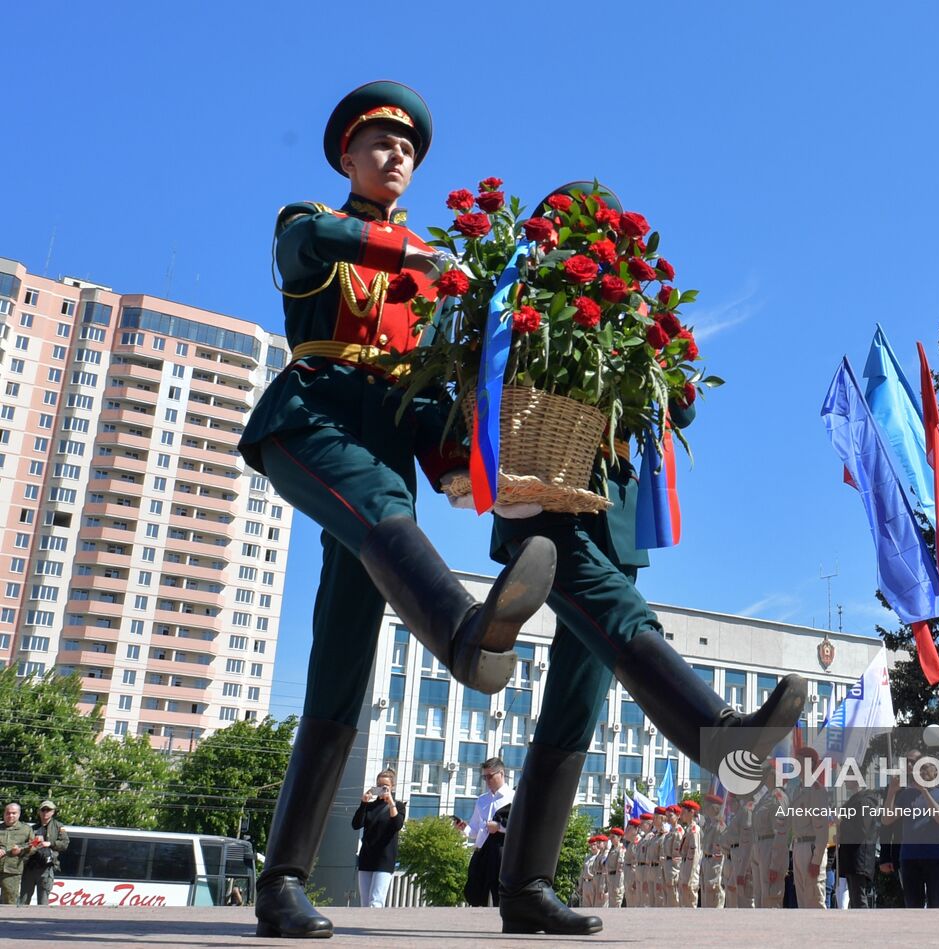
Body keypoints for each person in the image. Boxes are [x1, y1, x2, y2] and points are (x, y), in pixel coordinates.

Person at [242, 81, 558, 940]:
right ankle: (463, 632)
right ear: (346, 157)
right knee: (384, 512)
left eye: (407, 150)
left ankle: (282, 882)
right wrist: (412, 251)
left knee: (344, 651)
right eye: (379, 144)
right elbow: (316, 245)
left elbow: (419, 403)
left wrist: (474, 447)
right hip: (313, 414)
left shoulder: (423, 285)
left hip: (379, 432)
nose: (396, 157)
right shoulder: (308, 219)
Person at [490, 184, 807, 937]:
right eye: (576, 224)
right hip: (549, 506)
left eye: (600, 228)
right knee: (626, 623)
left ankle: (526, 885)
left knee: (573, 707)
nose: (590, 237)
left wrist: (655, 351)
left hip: (615, 523)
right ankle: (720, 736)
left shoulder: (623, 313)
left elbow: (681, 408)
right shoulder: (525, 298)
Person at [882, 751, 939, 908]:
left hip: (933, 856)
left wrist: (924, 791)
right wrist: (891, 792)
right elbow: (887, 820)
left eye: (921, 768)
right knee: (913, 905)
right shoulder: (906, 795)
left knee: (936, 903)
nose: (911, 768)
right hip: (909, 856)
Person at [351, 769, 405, 908]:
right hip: (367, 856)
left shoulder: (398, 806)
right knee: (365, 902)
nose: (381, 789)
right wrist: (363, 803)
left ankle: (371, 927)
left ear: (392, 787)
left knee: (376, 901)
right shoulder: (370, 807)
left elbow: (397, 824)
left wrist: (390, 801)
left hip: (385, 858)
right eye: (378, 785)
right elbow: (356, 825)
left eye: (385, 786)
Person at [464, 758, 513, 907]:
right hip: (482, 849)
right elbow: (474, 830)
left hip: (501, 849)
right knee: (476, 889)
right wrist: (463, 827)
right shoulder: (482, 800)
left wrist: (499, 827)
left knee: (499, 890)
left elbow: (520, 827)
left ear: (502, 774)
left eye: (490, 776)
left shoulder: (513, 797)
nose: (487, 780)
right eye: (485, 776)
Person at [789, 748, 834, 909]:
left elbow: (822, 831)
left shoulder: (817, 791)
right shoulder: (797, 790)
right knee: (803, 901)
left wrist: (816, 860)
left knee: (814, 899)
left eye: (799, 761)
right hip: (798, 847)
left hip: (811, 848)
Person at [749, 760, 791, 908]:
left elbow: (781, 832)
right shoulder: (766, 796)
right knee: (760, 894)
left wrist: (775, 864)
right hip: (760, 846)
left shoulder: (778, 797)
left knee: (771, 895)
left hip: (770, 847)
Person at [837, 776, 883, 909]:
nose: (844, 781)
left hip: (859, 857)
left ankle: (866, 927)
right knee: (855, 897)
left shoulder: (864, 802)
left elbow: (862, 830)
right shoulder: (856, 801)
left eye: (847, 778)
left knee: (859, 898)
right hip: (853, 857)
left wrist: (843, 822)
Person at [20, 800, 67, 906]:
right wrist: (32, 845)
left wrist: (49, 843)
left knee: (43, 902)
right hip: (30, 867)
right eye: (43, 810)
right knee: (23, 900)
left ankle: (40, 922)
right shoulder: (32, 828)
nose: (45, 812)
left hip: (46, 868)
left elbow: (65, 844)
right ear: (39, 812)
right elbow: (24, 846)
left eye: (48, 810)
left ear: (53, 812)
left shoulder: (59, 827)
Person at [699, 794, 727, 908]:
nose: (704, 808)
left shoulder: (719, 826)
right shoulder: (709, 825)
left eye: (707, 806)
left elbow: (719, 854)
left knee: (715, 897)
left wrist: (716, 876)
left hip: (714, 865)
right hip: (707, 862)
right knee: (706, 898)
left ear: (713, 808)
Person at [1, 803, 29, 906]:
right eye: (8, 813)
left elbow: (35, 845)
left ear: (19, 814)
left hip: (12, 871)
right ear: (4, 814)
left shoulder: (26, 829)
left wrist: (21, 850)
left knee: (10, 901)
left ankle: (7, 921)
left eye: (14, 813)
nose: (10, 815)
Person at [676, 801, 703, 907]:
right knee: (684, 904)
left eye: (683, 812)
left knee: (690, 904)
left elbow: (694, 855)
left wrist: (689, 878)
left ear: (691, 812)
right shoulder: (688, 829)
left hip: (690, 873)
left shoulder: (694, 831)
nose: (681, 815)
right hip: (685, 869)